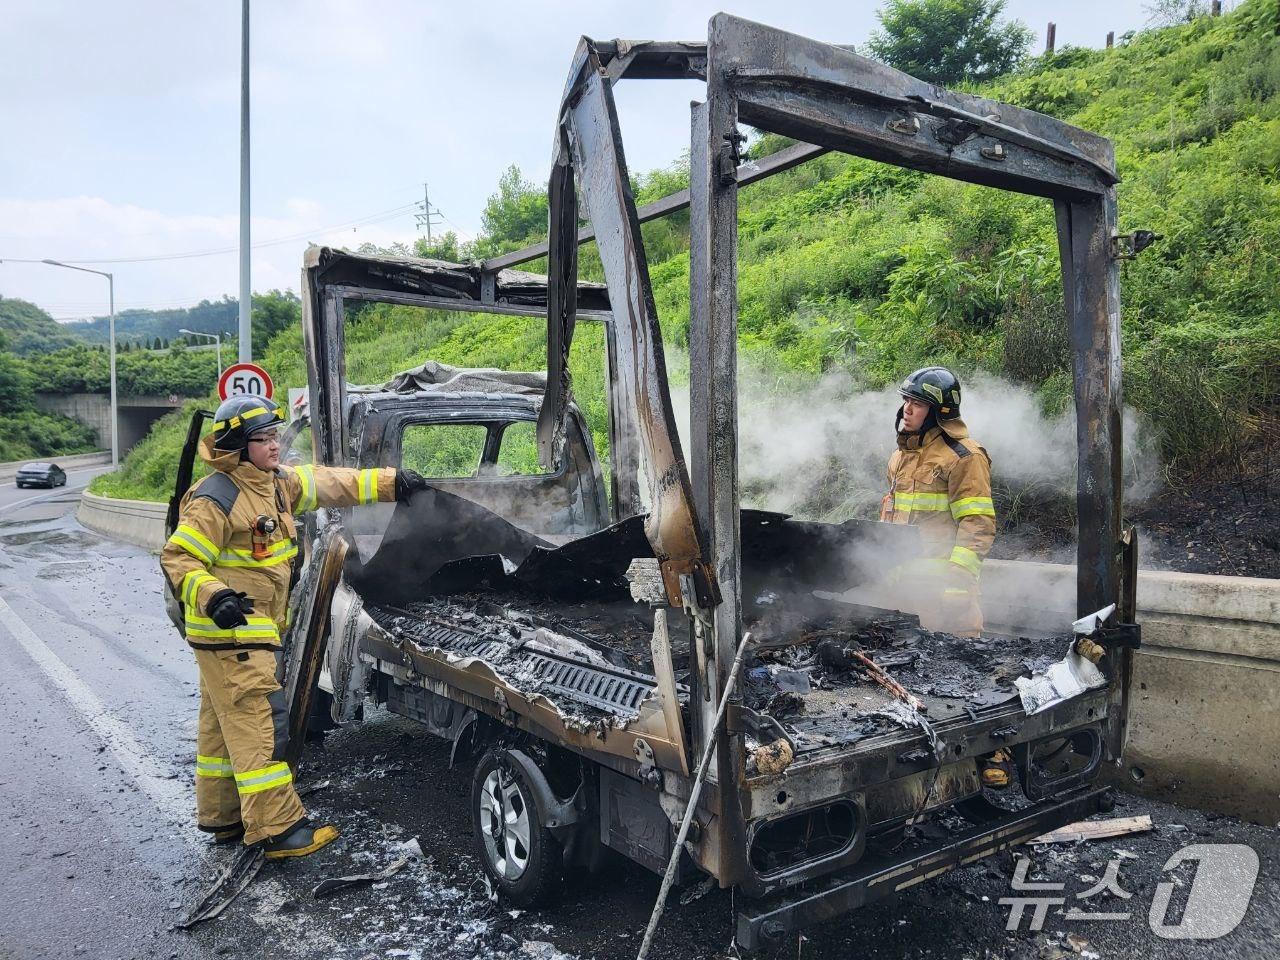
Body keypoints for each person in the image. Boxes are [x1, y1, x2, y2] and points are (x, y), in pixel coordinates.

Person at [160, 395, 428, 857]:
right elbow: (179, 557)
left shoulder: (275, 484)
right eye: (261, 440)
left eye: (273, 437)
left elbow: (332, 483)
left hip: (246, 633)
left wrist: (391, 482)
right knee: (260, 727)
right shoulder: (217, 496)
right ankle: (278, 830)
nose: (273, 446)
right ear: (238, 447)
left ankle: (224, 817)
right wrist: (213, 595)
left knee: (222, 727)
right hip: (233, 634)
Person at [880, 366, 996, 639]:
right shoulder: (900, 457)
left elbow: (977, 523)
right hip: (904, 600)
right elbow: (892, 517)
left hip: (947, 603)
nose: (907, 409)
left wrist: (957, 586)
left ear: (939, 412)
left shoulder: (964, 457)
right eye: (906, 400)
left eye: (918, 403)